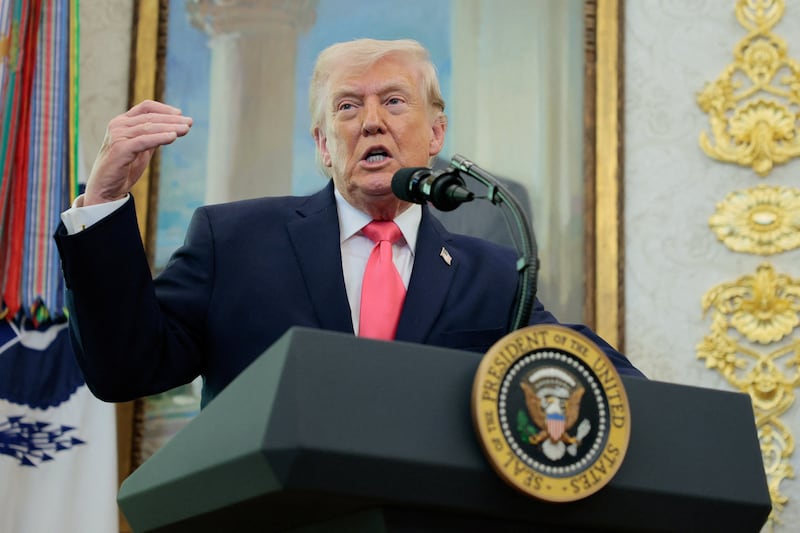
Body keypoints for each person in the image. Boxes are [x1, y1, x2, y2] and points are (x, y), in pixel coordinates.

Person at [54, 39, 643, 407]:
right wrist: (102, 200)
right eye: (347, 106)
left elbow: (579, 369)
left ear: (436, 134)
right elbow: (124, 369)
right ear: (323, 145)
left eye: (394, 101)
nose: (371, 122)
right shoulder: (232, 242)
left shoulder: (490, 275)